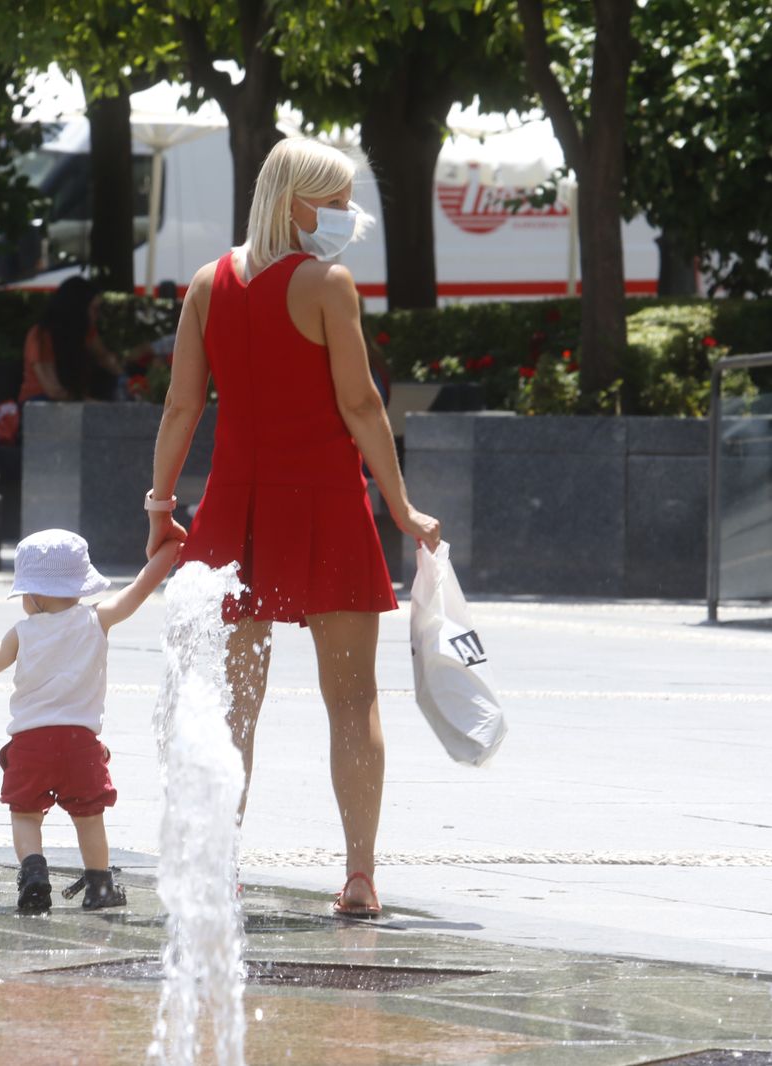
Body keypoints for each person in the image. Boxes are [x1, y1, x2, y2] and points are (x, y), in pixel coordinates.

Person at [144, 138, 442, 919]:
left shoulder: (208, 284)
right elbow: (362, 405)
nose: (348, 216)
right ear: (297, 203)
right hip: (327, 505)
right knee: (352, 699)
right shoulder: (325, 283)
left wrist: (161, 505)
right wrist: (404, 506)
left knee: (234, 703)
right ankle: (359, 876)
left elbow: (181, 407)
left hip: (232, 512)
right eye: (337, 199)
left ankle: (218, 869)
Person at [0, 529, 180, 913]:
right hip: (81, 746)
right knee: (89, 818)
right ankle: (99, 885)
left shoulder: (22, 633)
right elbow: (139, 588)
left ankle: (34, 872)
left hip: (30, 746)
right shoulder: (98, 618)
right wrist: (169, 550)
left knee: (25, 814)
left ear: (35, 595)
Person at [17, 276, 129, 403]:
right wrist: (96, 405)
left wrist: (125, 379)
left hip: (70, 402)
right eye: (94, 309)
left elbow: (104, 357)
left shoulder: (86, 332)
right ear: (78, 309)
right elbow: (54, 390)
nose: (98, 316)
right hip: (41, 405)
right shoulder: (41, 335)